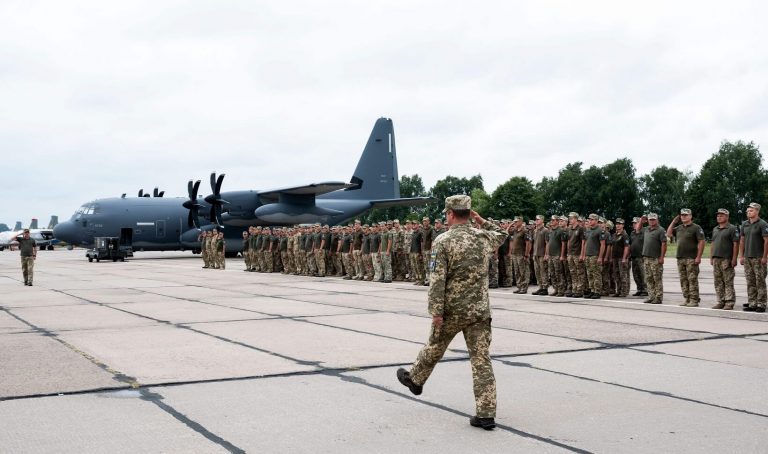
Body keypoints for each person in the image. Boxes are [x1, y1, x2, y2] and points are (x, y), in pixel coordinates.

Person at [397, 195, 507, 431]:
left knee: (435, 345)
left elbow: (437, 280)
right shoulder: (483, 237)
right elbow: (503, 234)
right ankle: (486, 414)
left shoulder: (443, 241)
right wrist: (482, 221)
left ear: (450, 213)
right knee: (481, 361)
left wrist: (436, 312)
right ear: (469, 213)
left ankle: (416, 379)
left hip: (452, 310)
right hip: (478, 310)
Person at [667, 209, 706, 307]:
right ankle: (687, 298)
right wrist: (673, 222)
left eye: (686, 215)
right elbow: (668, 234)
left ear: (690, 216)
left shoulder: (696, 228)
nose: (683, 217)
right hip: (680, 258)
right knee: (683, 280)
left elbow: (702, 241)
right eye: (682, 215)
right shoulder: (679, 228)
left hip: (691, 258)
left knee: (692, 280)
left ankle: (694, 299)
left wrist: (698, 257)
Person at [740, 202, 768, 312]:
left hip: (758, 257)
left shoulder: (763, 224)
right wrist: (741, 256)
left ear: (757, 211)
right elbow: (742, 240)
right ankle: (752, 302)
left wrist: (764, 257)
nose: (748, 212)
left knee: (760, 281)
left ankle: (761, 303)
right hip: (747, 257)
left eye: (751, 210)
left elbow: (766, 241)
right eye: (747, 211)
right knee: (750, 281)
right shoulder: (745, 224)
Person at [710, 209, 739, 310]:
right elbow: (713, 243)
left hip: (726, 259)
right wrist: (711, 257)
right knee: (718, 281)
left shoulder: (732, 228)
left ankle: (729, 302)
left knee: (728, 281)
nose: (719, 217)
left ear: (727, 217)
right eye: (718, 215)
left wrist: (734, 258)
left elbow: (736, 244)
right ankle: (720, 301)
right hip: (716, 259)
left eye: (721, 215)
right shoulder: (715, 229)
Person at [642, 213, 667, 304]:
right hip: (646, 258)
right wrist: (641, 220)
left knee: (657, 278)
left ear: (657, 220)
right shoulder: (646, 229)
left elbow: (664, 244)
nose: (651, 221)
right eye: (650, 220)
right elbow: (637, 229)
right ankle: (651, 296)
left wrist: (662, 257)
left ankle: (658, 297)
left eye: (653, 219)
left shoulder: (661, 230)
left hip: (655, 258)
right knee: (648, 278)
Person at [581, 214, 606, 299]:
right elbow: (585, 244)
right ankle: (592, 290)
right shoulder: (588, 230)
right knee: (589, 274)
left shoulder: (600, 230)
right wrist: (584, 255)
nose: (590, 221)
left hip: (595, 255)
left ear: (596, 220)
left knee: (596, 274)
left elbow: (603, 245)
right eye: (589, 219)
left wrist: (600, 257)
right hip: (588, 255)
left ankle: (597, 291)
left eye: (592, 219)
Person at [610, 219, 631, 297]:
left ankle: (624, 291)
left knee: (623, 275)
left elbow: (626, 247)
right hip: (615, 257)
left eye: (620, 224)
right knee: (616, 275)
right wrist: (611, 257)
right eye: (617, 224)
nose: (618, 225)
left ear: (623, 225)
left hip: (621, 257)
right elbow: (612, 246)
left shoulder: (625, 235)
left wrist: (624, 258)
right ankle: (618, 291)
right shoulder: (614, 235)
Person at [630, 217, 647, 296]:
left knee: (643, 274)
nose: (634, 224)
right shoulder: (632, 233)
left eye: (635, 223)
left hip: (641, 256)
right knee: (635, 274)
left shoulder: (644, 232)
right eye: (633, 223)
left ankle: (645, 289)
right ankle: (639, 289)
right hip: (633, 256)